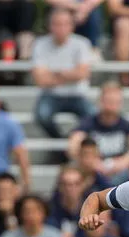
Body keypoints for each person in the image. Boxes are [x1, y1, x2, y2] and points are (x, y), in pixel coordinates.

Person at [32, 8, 94, 139]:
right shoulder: (39, 44)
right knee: (41, 116)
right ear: (50, 26)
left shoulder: (82, 43)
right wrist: (71, 75)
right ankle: (61, 143)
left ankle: (72, 141)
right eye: (57, 24)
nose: (61, 28)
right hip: (51, 95)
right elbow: (40, 80)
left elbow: (83, 74)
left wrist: (54, 74)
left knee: (93, 116)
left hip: (77, 95)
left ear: (72, 26)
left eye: (65, 24)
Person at [68, 82, 129, 184]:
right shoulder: (88, 123)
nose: (111, 106)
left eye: (115, 101)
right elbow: (73, 147)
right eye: (108, 101)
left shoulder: (127, 125)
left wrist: (121, 164)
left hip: (120, 171)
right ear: (100, 101)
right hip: (92, 171)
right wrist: (93, 163)